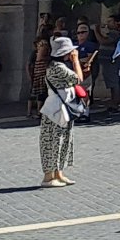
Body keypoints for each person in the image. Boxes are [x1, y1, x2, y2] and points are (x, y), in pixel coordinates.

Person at [37, 35, 84, 187]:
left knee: (63, 141)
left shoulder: (57, 66)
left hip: (62, 107)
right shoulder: (58, 67)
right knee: (53, 141)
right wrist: (76, 60)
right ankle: (48, 177)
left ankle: (59, 173)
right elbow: (78, 79)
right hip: (56, 109)